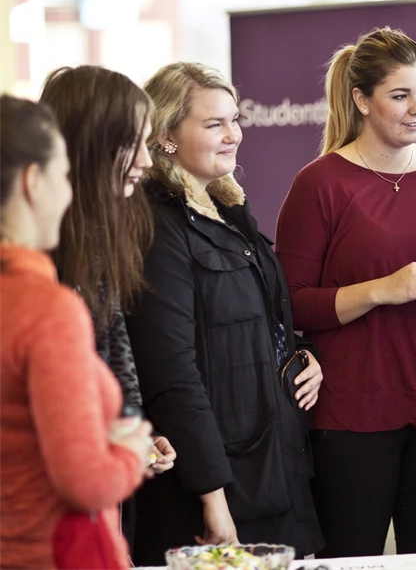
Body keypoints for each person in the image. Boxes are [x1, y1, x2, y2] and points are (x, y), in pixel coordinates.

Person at [275, 27, 416, 557]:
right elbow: (289, 302)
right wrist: (381, 290)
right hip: (354, 408)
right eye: (400, 95)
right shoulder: (320, 183)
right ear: (361, 100)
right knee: (350, 559)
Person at [126, 62, 324, 564]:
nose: (233, 135)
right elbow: (172, 376)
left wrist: (304, 353)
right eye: (214, 124)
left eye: (235, 120)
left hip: (275, 469)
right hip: (215, 488)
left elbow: (265, 323)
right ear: (166, 134)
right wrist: (214, 500)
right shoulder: (155, 227)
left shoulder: (230, 211)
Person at [0, 94, 153, 569]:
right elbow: (84, 482)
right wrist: (129, 452)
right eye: (64, 176)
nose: (69, 194)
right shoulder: (45, 309)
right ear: (32, 182)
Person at [38, 65, 178, 553]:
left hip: (102, 486)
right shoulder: (38, 255)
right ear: (90, 143)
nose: (145, 160)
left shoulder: (99, 236)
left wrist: (137, 432)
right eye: (131, 143)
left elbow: (113, 353)